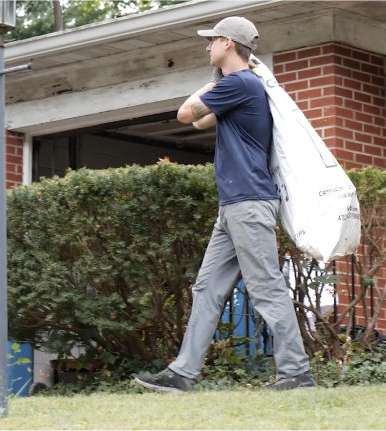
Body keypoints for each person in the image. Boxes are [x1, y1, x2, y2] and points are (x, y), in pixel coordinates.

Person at [135, 17, 315, 393]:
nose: (207, 48)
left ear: (228, 43)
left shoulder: (240, 82)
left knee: (266, 286)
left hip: (248, 203)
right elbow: (202, 123)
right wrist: (223, 77)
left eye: (212, 41)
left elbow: (186, 114)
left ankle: (296, 373)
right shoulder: (241, 86)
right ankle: (182, 374)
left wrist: (222, 76)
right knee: (206, 288)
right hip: (235, 205)